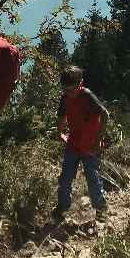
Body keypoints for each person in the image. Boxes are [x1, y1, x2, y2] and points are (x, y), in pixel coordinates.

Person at [52, 65, 110, 225]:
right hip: (73, 143)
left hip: (90, 144)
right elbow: (62, 115)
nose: (68, 93)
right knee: (65, 178)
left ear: (80, 84)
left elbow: (104, 114)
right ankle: (62, 207)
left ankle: (101, 210)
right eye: (65, 90)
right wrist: (59, 132)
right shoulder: (65, 97)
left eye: (71, 90)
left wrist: (98, 140)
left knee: (92, 178)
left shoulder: (87, 96)